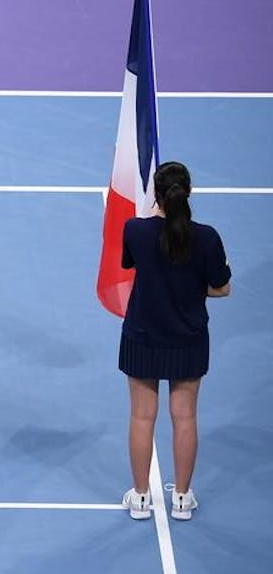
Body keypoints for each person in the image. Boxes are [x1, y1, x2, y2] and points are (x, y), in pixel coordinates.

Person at [119, 161, 230, 522]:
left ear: (157, 195)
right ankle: (181, 499)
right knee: (184, 417)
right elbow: (222, 288)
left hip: (143, 337)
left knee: (141, 416)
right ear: (189, 193)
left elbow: (132, 264)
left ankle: (139, 498)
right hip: (188, 340)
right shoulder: (208, 238)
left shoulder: (135, 230)